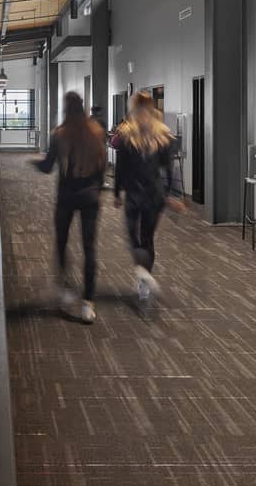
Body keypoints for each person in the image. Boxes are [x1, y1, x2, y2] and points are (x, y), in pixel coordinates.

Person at [34, 91, 106, 324]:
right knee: (90, 249)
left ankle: (65, 288)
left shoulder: (59, 134)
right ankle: (88, 304)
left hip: (66, 196)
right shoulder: (96, 133)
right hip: (90, 197)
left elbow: (47, 167)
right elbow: (102, 167)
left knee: (62, 243)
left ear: (65, 108)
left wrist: (33, 162)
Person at [112, 90, 185, 301]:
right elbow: (168, 169)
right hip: (155, 195)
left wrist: (117, 193)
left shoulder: (127, 132)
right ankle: (145, 278)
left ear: (132, 107)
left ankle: (142, 273)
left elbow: (121, 168)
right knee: (147, 239)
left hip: (136, 194)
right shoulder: (162, 133)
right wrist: (170, 195)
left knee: (133, 237)